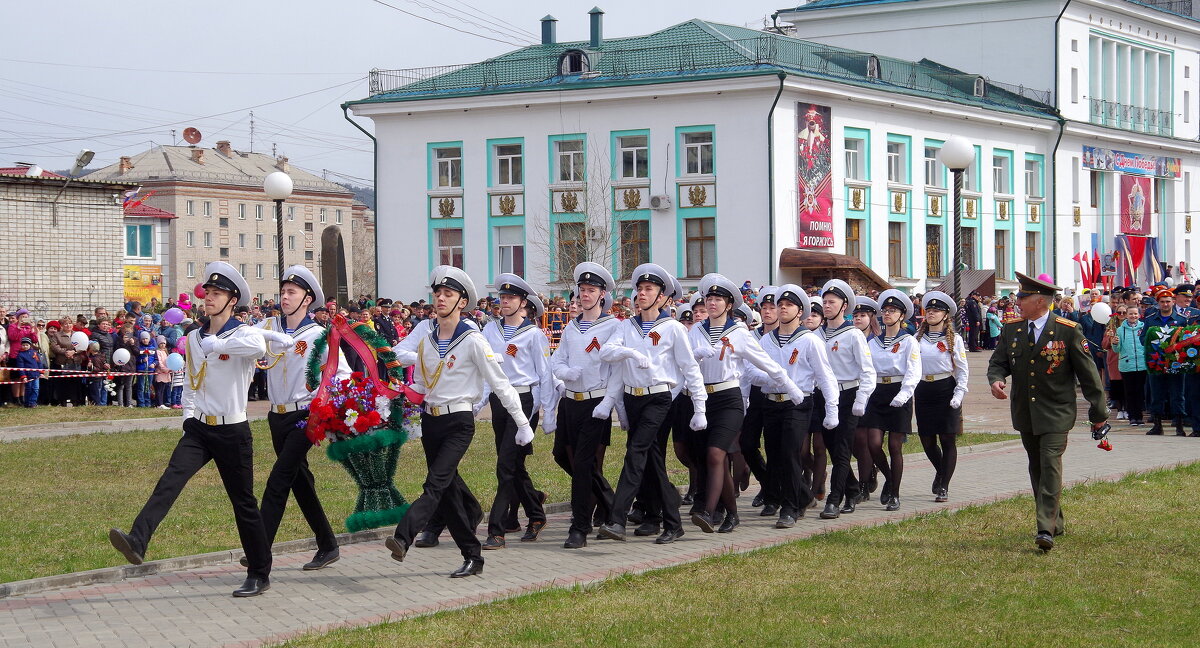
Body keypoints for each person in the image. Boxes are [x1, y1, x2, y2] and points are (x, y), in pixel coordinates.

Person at [109, 262, 277, 597]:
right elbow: (190, 381)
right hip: (200, 428)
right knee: (169, 480)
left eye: (217, 294)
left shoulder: (243, 334)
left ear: (232, 301)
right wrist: (187, 415)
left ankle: (259, 572)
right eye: (208, 293)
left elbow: (258, 350)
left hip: (233, 430)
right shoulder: (193, 337)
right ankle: (138, 540)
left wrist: (219, 345)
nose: (209, 299)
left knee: (242, 503)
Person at [385, 266, 534, 579]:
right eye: (437, 293)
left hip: (459, 422)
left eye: (448, 294)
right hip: (432, 421)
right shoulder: (427, 341)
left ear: (462, 302)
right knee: (450, 494)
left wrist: (522, 423)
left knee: (435, 484)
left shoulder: (473, 340)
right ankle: (472, 555)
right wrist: (396, 395)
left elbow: (501, 382)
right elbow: (425, 388)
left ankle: (403, 536)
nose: (440, 298)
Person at [987, 272, 1108, 552]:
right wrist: (996, 379)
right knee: (1037, 467)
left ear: (1040, 301)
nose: (1017, 302)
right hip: (1025, 411)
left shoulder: (1068, 329)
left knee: (1050, 464)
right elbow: (998, 362)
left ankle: (1044, 528)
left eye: (1022, 297)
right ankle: (1057, 522)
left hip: (1056, 412)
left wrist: (1098, 412)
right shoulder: (1012, 328)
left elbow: (1089, 375)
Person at [596, 263, 707, 545]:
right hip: (633, 398)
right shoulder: (627, 326)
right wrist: (630, 353)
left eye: (649, 289)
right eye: (640, 289)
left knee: (635, 453)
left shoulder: (672, 328)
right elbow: (607, 352)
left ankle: (617, 519)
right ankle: (673, 522)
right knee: (653, 461)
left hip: (659, 398)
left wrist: (699, 406)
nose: (642, 293)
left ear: (662, 297)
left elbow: (689, 368)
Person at [687, 274, 803, 534]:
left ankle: (708, 509)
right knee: (711, 459)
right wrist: (693, 357)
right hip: (703, 399)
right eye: (709, 298)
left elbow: (766, 363)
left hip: (729, 399)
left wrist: (790, 386)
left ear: (729, 304)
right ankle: (732, 513)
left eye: (718, 299)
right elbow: (681, 364)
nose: (712, 302)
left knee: (716, 454)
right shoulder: (696, 331)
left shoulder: (739, 333)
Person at [251, 266, 348, 572]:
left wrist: (322, 403)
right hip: (276, 416)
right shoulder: (267, 326)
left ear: (308, 299)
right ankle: (328, 544)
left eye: (292, 292)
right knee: (299, 482)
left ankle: (258, 550)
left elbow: (340, 373)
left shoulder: (319, 334)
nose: (285, 297)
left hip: (305, 416)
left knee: (279, 479)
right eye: (283, 292)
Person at [749, 285, 838, 527]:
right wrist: (775, 380)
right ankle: (804, 496)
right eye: (780, 305)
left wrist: (832, 408)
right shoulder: (766, 340)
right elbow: (751, 372)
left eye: (789, 305)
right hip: (771, 402)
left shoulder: (809, 340)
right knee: (776, 456)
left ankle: (789, 508)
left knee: (790, 452)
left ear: (800, 311)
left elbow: (825, 376)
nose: (783, 308)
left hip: (798, 404)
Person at [477, 274, 552, 550]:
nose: (505, 302)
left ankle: (496, 531)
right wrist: (479, 401)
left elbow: (545, 375)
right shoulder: (490, 330)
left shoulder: (533, 334)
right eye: (502, 298)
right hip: (499, 402)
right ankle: (536, 513)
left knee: (505, 466)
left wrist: (545, 413)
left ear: (523, 302)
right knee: (514, 464)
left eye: (510, 298)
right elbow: (486, 371)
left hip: (523, 401)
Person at [549, 262, 621, 549]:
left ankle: (579, 527)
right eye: (582, 290)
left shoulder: (613, 326)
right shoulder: (571, 327)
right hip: (570, 402)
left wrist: (610, 403)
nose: (585, 295)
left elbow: (617, 369)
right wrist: (565, 373)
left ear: (602, 294)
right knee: (561, 456)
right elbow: (557, 360)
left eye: (591, 290)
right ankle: (611, 503)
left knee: (582, 465)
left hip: (596, 403)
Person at [816, 280, 876, 519]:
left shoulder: (853, 335)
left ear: (844, 306)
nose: (826, 305)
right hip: (823, 395)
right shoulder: (816, 334)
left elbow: (868, 370)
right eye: (824, 301)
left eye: (832, 302)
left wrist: (861, 399)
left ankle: (834, 499)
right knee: (831, 446)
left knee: (842, 449)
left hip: (848, 394)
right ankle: (851, 489)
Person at [914, 291, 968, 503]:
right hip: (923, 388)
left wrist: (959, 392)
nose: (932, 313)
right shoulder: (916, 339)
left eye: (937, 310)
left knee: (947, 439)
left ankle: (944, 485)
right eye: (929, 310)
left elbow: (962, 369)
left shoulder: (954, 340)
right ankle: (941, 470)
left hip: (945, 388)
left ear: (946, 315)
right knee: (927, 440)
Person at [741, 284, 778, 511]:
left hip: (776, 393)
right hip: (755, 394)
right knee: (747, 444)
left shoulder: (784, 336)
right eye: (763, 307)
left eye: (772, 307)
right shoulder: (752, 336)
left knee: (774, 447)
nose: (767, 311)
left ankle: (773, 495)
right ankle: (767, 483)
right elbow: (746, 369)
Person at [1141, 287, 1188, 436]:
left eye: (1168, 301)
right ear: (1158, 303)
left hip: (1176, 362)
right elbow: (1143, 339)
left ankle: (1179, 426)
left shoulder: (1181, 319)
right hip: (1157, 363)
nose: (1165, 304)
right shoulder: (1150, 320)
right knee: (1157, 394)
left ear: (1173, 302)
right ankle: (1157, 425)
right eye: (1162, 302)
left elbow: (1187, 340)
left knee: (1177, 394)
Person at [850, 296, 881, 503]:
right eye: (856, 315)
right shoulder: (849, 337)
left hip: (875, 393)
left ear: (871, 318)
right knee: (854, 441)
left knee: (866, 440)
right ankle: (869, 469)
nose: (859, 319)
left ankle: (863, 484)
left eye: (863, 315)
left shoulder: (877, 341)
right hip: (853, 391)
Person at [1113, 305, 1147, 427]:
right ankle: (1133, 417)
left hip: (1142, 364)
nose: (1133, 316)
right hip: (1127, 365)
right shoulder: (1120, 330)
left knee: (1140, 392)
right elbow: (1117, 349)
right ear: (1126, 315)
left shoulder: (1144, 328)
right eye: (1131, 314)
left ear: (1139, 315)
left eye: (1135, 314)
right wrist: (1114, 343)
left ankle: (1140, 417)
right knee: (1130, 392)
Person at [13, 337, 44, 407]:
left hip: (36, 375)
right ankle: (27, 403)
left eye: (27, 345)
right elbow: (21, 367)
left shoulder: (34, 353)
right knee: (28, 389)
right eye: (23, 345)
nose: (25, 346)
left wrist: (41, 372)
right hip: (28, 375)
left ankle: (33, 402)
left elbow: (39, 363)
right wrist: (23, 376)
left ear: (30, 345)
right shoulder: (20, 355)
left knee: (36, 389)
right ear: (21, 345)